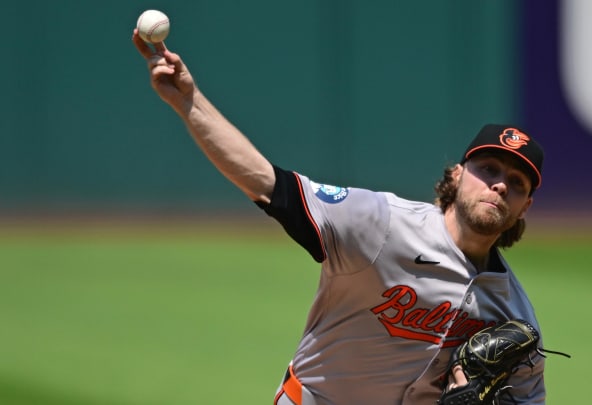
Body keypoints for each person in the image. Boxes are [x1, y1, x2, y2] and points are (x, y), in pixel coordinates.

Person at [132, 30, 550, 405]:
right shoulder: (382, 225)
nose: (499, 185)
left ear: (525, 207)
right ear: (457, 176)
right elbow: (266, 183)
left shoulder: (514, 315)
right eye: (488, 170)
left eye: (516, 182)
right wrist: (189, 102)